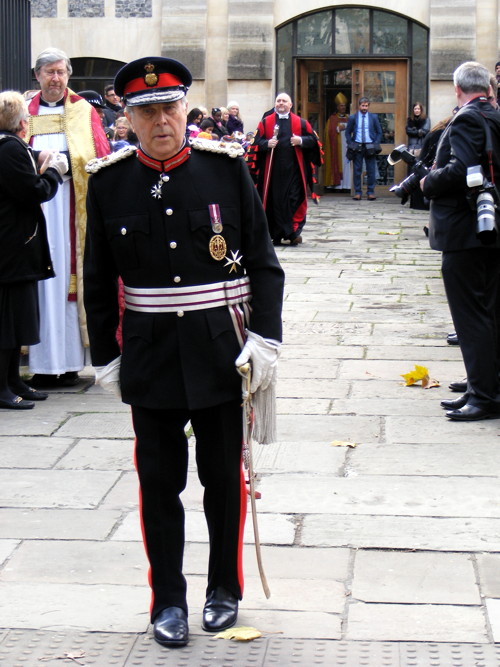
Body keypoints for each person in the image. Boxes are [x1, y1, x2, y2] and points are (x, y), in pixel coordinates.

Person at [83, 56, 284, 648]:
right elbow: (98, 279)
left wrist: (265, 339)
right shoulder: (110, 181)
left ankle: (223, 590)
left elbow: (263, 263)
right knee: (159, 481)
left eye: (170, 108)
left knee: (222, 480)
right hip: (150, 354)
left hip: (221, 350)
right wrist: (106, 358)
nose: (161, 120)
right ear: (129, 118)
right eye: (148, 111)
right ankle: (167, 600)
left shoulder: (225, 172)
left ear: (185, 110)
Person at [26, 48, 110, 389]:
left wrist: (65, 163)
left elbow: (98, 155)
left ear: (68, 75)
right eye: (49, 72)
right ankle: (41, 363)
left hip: (72, 210)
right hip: (34, 210)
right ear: (37, 76)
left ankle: (71, 363)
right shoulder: (23, 111)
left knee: (68, 284)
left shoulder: (83, 110)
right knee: (40, 284)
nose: (55, 78)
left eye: (60, 72)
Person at [421, 61, 500, 421]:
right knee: (488, 312)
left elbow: (462, 171)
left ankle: (483, 395)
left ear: (457, 89)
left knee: (471, 317)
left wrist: (427, 182)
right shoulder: (494, 113)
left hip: (466, 230)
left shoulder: (468, 117)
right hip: (488, 227)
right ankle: (483, 386)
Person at [0, 91, 67, 409]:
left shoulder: (11, 146)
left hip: (13, 245)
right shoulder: (8, 147)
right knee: (8, 322)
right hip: (11, 246)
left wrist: (41, 157)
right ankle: (2, 386)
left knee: (16, 320)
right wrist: (54, 172)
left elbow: (28, 157)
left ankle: (13, 380)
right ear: (19, 121)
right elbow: (33, 190)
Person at [252, 92, 321, 246]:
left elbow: (314, 142)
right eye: (278, 101)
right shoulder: (265, 122)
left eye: (284, 101)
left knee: (294, 200)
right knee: (273, 202)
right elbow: (254, 143)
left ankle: (293, 233)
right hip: (273, 173)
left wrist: (300, 140)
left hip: (294, 171)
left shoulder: (301, 123)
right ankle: (275, 234)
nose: (281, 103)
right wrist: (266, 144)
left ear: (290, 105)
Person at [346, 96, 382, 200]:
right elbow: (348, 132)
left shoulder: (373, 117)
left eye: (366, 106)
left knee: (371, 170)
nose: (364, 108)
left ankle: (370, 192)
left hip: (370, 145)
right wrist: (350, 143)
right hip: (357, 145)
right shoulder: (353, 117)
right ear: (359, 106)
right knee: (357, 170)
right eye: (363, 105)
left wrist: (376, 143)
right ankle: (358, 192)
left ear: (368, 106)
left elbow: (379, 132)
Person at [324, 92, 350, 192]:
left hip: (347, 146)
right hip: (337, 147)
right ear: (337, 107)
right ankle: (337, 186)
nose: (343, 107)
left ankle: (347, 186)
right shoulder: (332, 118)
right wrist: (337, 129)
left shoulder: (349, 117)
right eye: (341, 105)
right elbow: (328, 132)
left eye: (344, 105)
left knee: (347, 165)